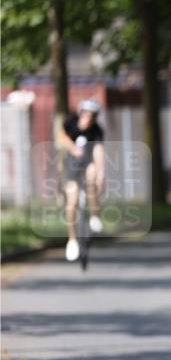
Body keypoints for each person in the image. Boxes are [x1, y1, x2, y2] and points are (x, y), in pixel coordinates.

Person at [58, 99, 106, 261]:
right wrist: (73, 149)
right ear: (80, 113)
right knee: (71, 204)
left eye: (92, 116)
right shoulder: (70, 121)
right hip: (72, 165)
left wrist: (101, 173)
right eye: (86, 115)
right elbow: (62, 137)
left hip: (88, 162)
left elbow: (98, 151)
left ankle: (94, 215)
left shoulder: (97, 130)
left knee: (92, 176)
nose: (88, 119)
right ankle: (72, 240)